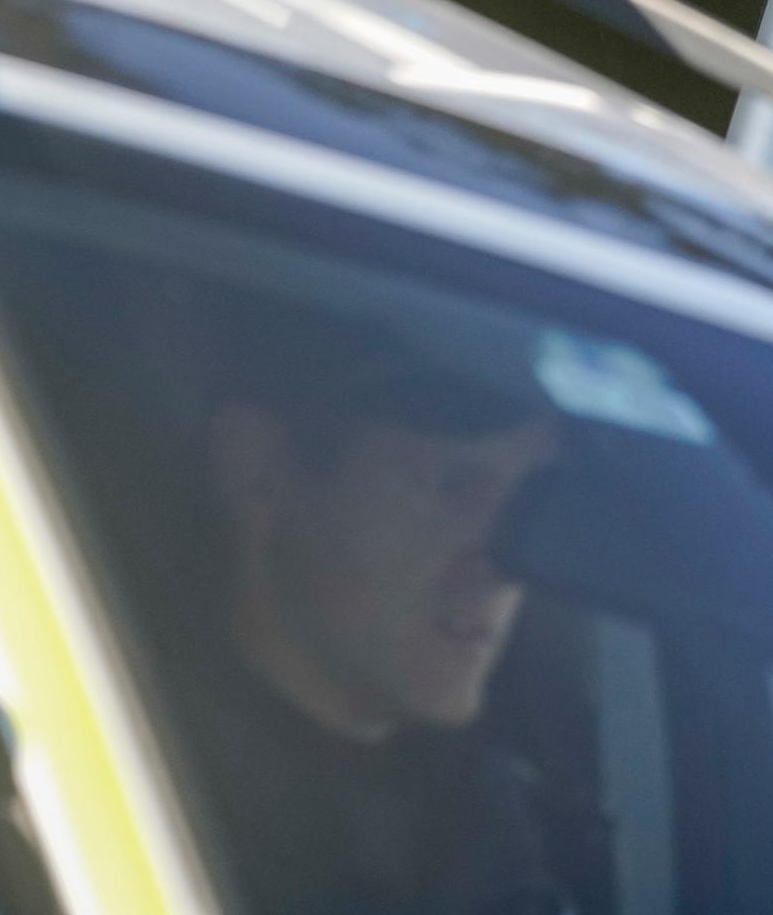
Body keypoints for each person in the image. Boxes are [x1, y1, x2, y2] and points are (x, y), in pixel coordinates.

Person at [187, 329, 575, 915]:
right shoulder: (125, 786)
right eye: (457, 488)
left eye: (523, 509)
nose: (503, 565)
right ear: (259, 469)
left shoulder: (491, 823)